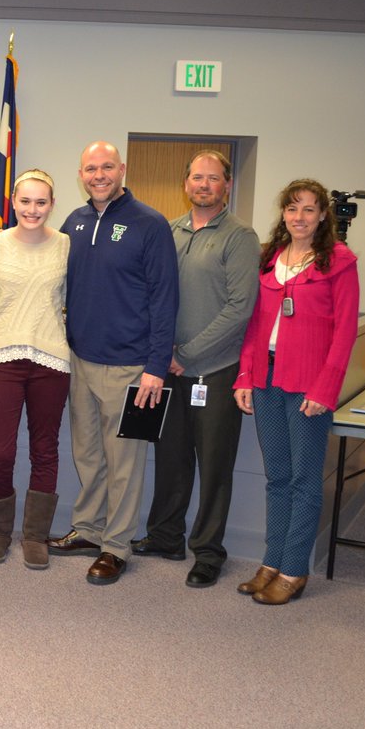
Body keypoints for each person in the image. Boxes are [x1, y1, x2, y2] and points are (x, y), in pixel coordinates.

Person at [46, 141, 178, 585]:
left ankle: (116, 545)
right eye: (90, 168)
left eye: (106, 167)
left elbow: (165, 300)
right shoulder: (74, 222)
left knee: (126, 463)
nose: (98, 174)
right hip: (82, 360)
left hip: (134, 368)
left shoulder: (151, 224)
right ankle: (88, 529)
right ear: (80, 174)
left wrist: (156, 367)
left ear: (121, 169)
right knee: (88, 453)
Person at [131, 151, 260, 588]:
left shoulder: (240, 236)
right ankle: (166, 536)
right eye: (197, 177)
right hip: (167, 369)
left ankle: (208, 552)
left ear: (226, 185)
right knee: (169, 458)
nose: (204, 184)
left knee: (214, 466)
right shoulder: (168, 230)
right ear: (185, 183)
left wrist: (186, 353)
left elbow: (241, 308)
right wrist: (161, 352)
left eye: (214, 178)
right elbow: (153, 295)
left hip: (215, 370)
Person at [233, 179, 359, 605]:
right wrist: (245, 376)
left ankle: (294, 569)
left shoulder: (338, 261)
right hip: (267, 380)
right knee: (278, 478)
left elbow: (344, 333)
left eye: (308, 209)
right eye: (292, 209)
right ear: (283, 213)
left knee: (305, 481)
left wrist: (326, 389)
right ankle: (271, 561)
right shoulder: (270, 257)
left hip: (310, 387)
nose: (299, 217)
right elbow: (254, 324)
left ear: (323, 214)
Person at [0, 169, 71, 569]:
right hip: (2, 356)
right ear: (13, 202)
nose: (32, 209)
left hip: (51, 358)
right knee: (0, 452)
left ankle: (35, 536)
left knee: (44, 450)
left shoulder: (67, 245)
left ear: (52, 205)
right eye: (25, 201)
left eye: (41, 202)